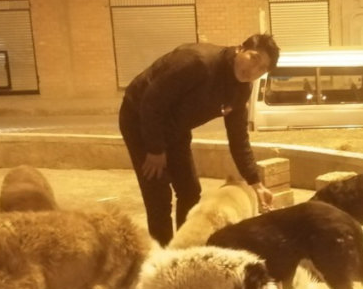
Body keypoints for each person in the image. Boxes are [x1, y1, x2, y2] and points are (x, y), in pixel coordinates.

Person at [119, 35, 279, 245]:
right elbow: (151, 101)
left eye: (262, 69)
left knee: (190, 191)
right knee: (158, 196)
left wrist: (255, 182)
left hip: (176, 127)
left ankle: (184, 248)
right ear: (241, 48)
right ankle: (161, 257)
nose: (253, 70)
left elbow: (238, 137)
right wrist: (155, 149)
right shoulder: (198, 63)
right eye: (254, 58)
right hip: (140, 118)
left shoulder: (240, 90)